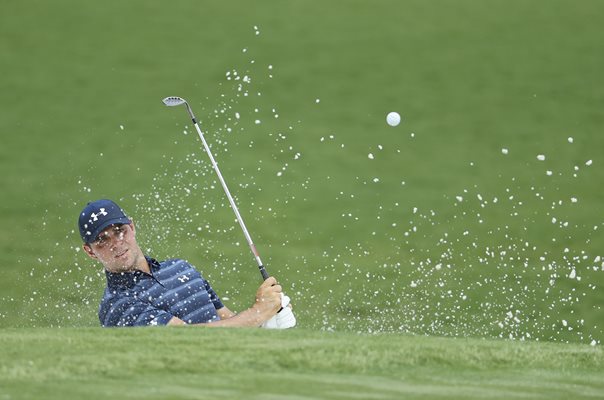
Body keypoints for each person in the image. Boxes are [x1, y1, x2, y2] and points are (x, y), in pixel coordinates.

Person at [78, 199, 292, 328]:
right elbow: (187, 339)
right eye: (102, 240)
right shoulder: (117, 305)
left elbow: (228, 321)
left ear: (132, 227)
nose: (116, 243)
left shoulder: (180, 268)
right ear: (90, 251)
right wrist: (258, 313)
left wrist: (271, 318)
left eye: (119, 231)